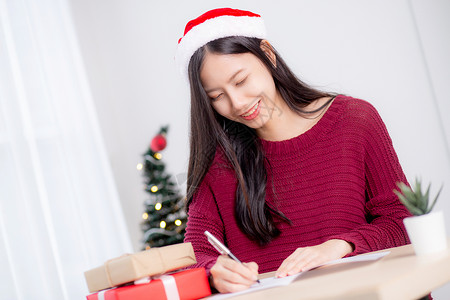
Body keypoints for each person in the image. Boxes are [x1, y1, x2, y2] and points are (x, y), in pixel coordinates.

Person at [175, 8, 411, 294]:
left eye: (240, 81)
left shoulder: (355, 120)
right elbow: (192, 257)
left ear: (268, 55)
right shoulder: (218, 164)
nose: (237, 103)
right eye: (217, 96)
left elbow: (402, 223)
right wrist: (212, 271)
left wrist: (342, 246)